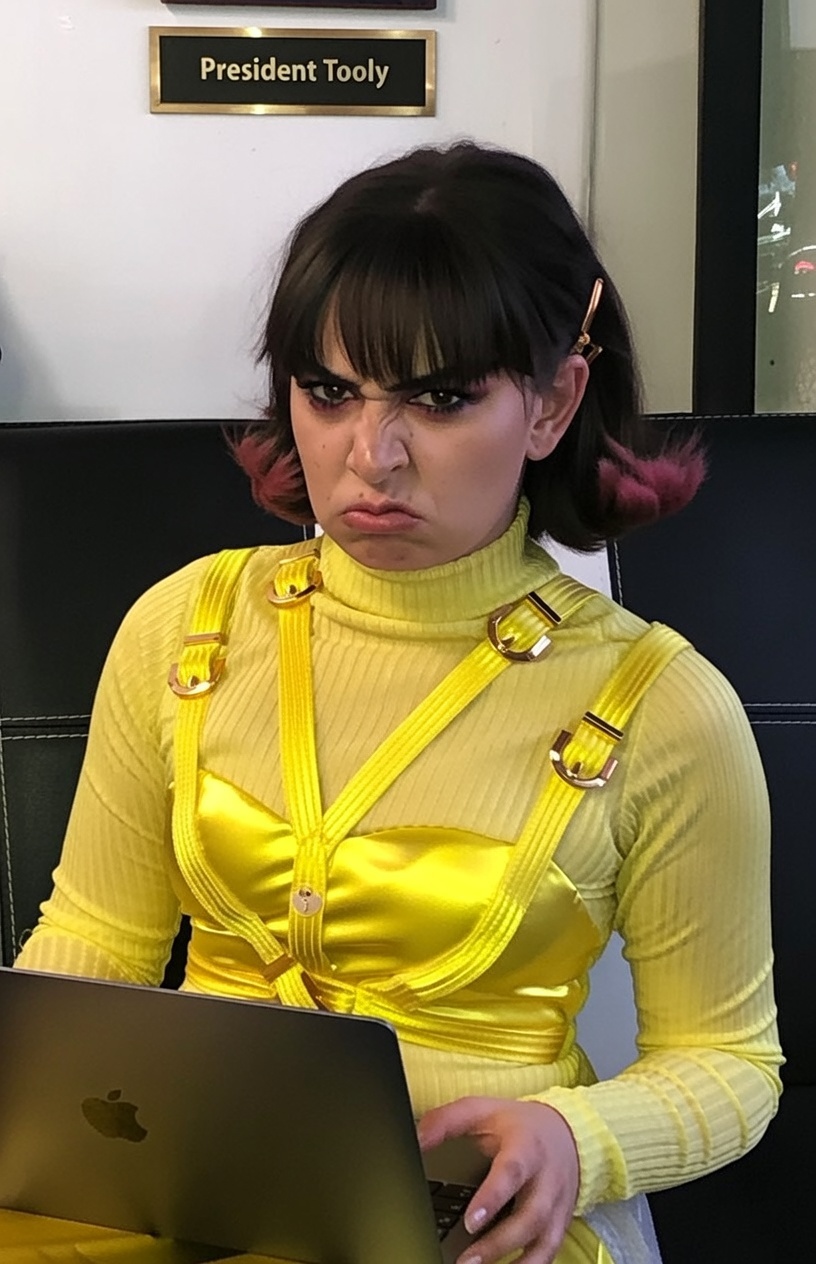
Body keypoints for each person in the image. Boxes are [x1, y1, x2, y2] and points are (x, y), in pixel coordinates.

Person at [16, 143, 782, 1264]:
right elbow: (97, 937)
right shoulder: (183, 626)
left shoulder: (666, 708)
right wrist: (30, 1104)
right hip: (178, 1183)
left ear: (553, 403)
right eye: (329, 393)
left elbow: (732, 1063)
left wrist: (580, 1138)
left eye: (442, 397)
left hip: (471, 1220)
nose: (370, 456)